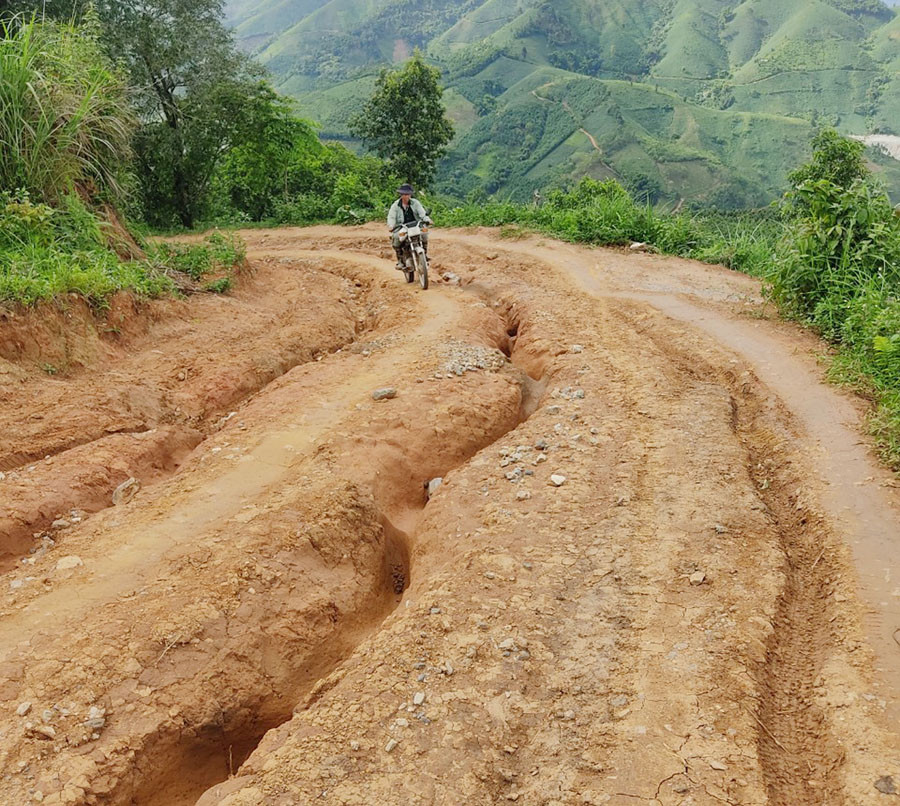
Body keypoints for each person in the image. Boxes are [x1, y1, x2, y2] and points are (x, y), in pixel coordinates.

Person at [387, 183, 431, 269]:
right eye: (404, 194)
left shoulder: (416, 203)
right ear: (401, 195)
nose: (406, 196)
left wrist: (427, 219)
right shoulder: (395, 206)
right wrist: (391, 225)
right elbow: (391, 217)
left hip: (416, 225)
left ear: (410, 194)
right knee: (396, 238)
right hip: (402, 227)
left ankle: (424, 255)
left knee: (424, 234)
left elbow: (422, 213)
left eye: (407, 194)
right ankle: (400, 261)